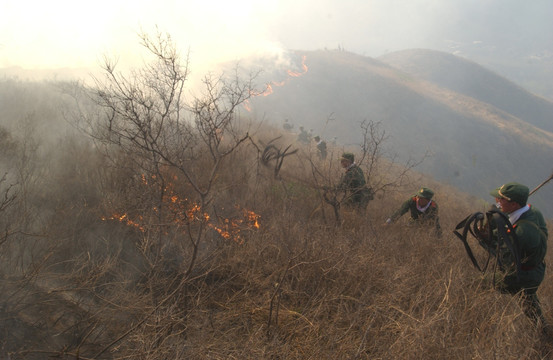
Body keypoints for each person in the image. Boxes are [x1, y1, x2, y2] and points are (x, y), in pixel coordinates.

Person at [480, 182, 549, 330]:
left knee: (481, 283)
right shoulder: (531, 211)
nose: (498, 201)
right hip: (534, 269)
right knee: (529, 303)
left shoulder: (523, 232)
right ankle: (542, 330)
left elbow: (503, 258)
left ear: (515, 204)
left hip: (525, 275)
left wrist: (485, 239)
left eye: (501, 199)